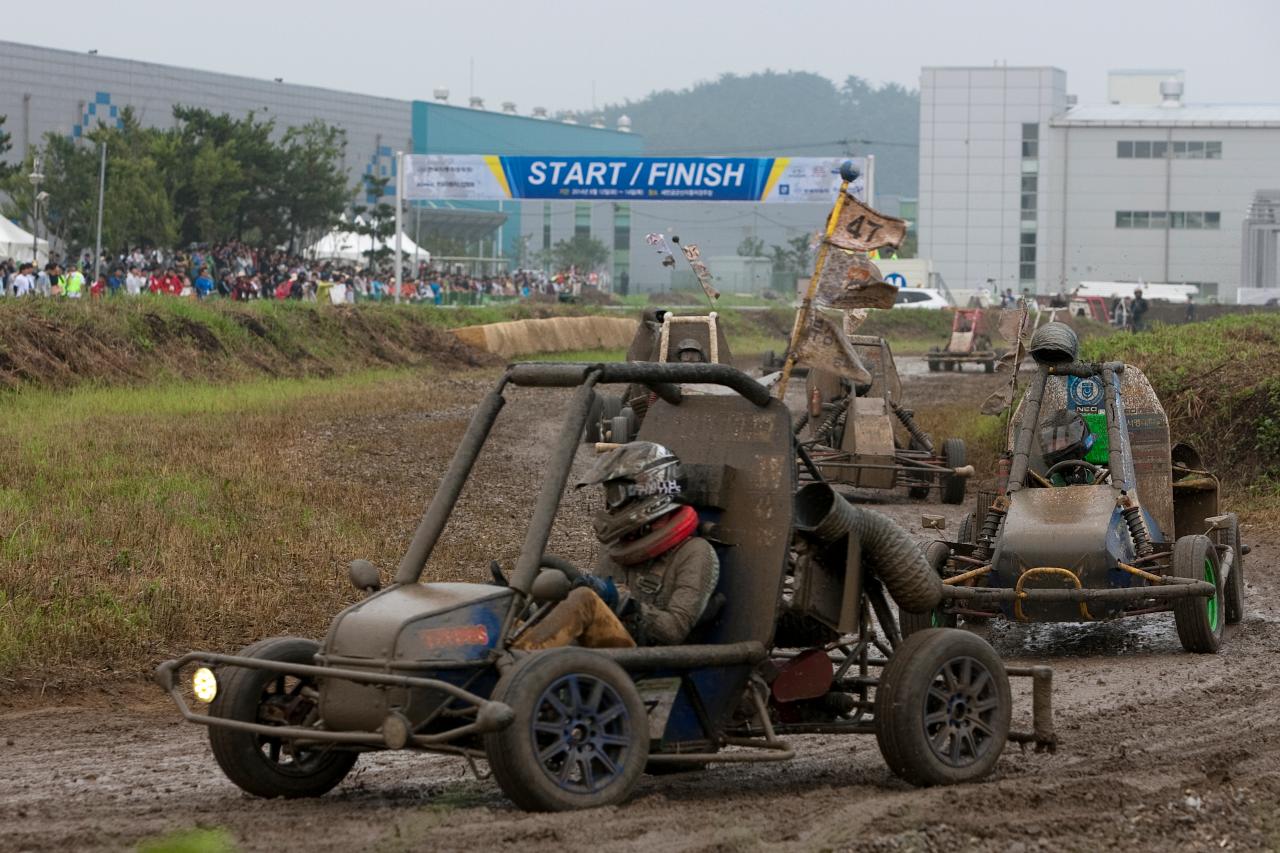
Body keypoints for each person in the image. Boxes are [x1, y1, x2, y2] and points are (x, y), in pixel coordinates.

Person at [513, 442, 719, 651]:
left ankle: (520, 668)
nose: (610, 507)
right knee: (508, 604)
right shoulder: (623, 547)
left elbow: (675, 629)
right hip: (602, 655)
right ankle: (499, 662)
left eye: (616, 496)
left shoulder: (695, 552)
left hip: (647, 662)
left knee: (585, 600)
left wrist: (623, 602)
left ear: (650, 492)